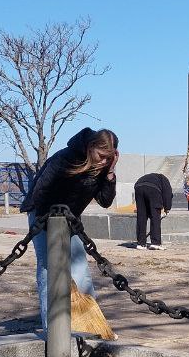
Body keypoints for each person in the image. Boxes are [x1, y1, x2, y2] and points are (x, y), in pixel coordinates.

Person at [20, 128, 119, 331]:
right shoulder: (66, 158)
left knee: (80, 269)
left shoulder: (103, 167)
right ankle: (53, 329)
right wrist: (50, 228)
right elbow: (40, 193)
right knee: (49, 268)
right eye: (101, 156)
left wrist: (110, 173)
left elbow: (105, 201)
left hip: (70, 219)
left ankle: (89, 327)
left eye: (108, 158)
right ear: (91, 147)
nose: (103, 161)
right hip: (42, 215)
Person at [134, 172, 173, 249]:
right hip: (153, 189)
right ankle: (155, 243)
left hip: (138, 186)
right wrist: (167, 208)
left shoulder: (156, 178)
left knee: (141, 216)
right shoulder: (165, 180)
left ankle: (141, 243)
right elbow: (167, 195)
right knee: (155, 216)